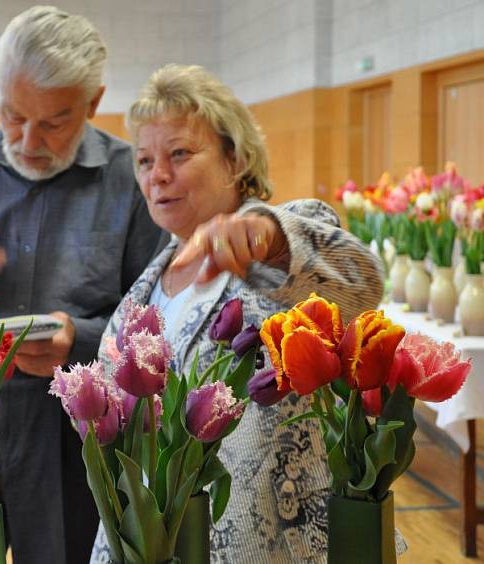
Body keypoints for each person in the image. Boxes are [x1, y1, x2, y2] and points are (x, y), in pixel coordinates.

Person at [88, 64, 386, 563]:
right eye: (143, 160)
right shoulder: (147, 285)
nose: (157, 174)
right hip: (154, 544)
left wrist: (265, 238)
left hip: (264, 543)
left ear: (235, 158)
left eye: (179, 153)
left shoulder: (281, 238)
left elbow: (362, 282)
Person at [0, 6, 165, 564]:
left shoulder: (135, 182)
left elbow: (163, 321)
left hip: (78, 440)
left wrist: (82, 340)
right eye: (11, 114)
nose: (27, 139)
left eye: (53, 122)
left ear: (94, 103)